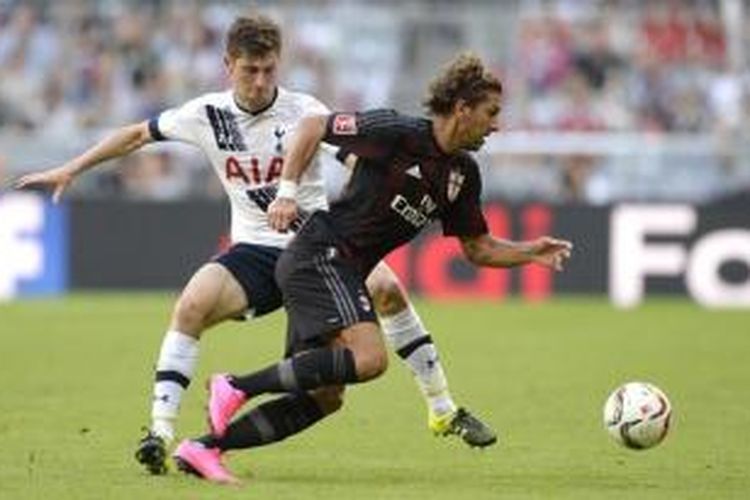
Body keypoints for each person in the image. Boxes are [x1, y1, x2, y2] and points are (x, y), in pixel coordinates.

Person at [13, 15, 496, 476]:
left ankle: (442, 407)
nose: (261, 81)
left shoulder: (305, 111)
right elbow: (138, 134)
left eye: (269, 70)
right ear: (229, 66)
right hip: (254, 251)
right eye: (250, 70)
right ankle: (158, 435)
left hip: (316, 243)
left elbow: (359, 159)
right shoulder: (205, 114)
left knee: (384, 296)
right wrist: (72, 168)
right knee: (192, 306)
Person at [173, 52, 573, 484]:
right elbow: (312, 125)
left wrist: (529, 251)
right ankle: (235, 386)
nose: (496, 124)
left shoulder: (463, 174)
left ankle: (204, 448)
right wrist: (287, 193)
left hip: (340, 268)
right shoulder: (396, 132)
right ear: (462, 109)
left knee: (326, 397)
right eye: (490, 113)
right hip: (320, 253)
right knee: (370, 359)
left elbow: (478, 248)